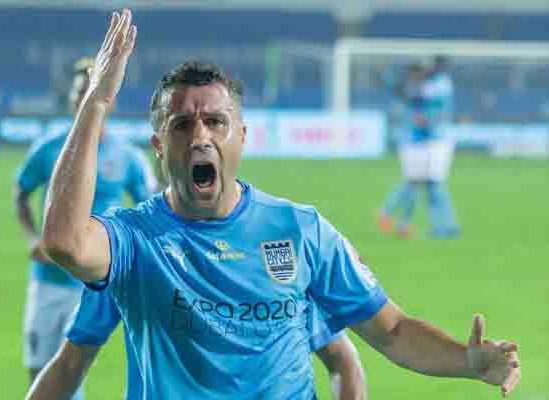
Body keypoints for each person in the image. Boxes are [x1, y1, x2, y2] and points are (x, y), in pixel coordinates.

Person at [41, 10, 520, 399]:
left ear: (242, 137)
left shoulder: (300, 230)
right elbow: (64, 242)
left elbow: (391, 331)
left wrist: (467, 361)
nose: (201, 136)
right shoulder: (133, 240)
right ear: (159, 147)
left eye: (216, 122)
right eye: (182, 125)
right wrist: (96, 103)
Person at [14, 55, 157, 399]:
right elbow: (21, 193)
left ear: (110, 98)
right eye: (80, 92)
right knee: (39, 369)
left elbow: (151, 209)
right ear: (71, 98)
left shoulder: (127, 156)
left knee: (72, 369)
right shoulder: (48, 148)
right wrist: (33, 238)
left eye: (90, 91)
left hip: (95, 284)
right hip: (48, 280)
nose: (84, 98)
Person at [26, 287, 368, 400]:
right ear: (159, 150)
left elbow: (343, 360)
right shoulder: (128, 247)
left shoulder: (275, 242)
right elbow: (70, 363)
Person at [378, 58, 460, 239]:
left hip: (426, 140)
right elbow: (416, 104)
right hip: (419, 141)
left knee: (422, 183)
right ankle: (397, 217)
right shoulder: (433, 85)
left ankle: (400, 220)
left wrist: (392, 84)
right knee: (421, 183)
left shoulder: (435, 85)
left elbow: (416, 101)